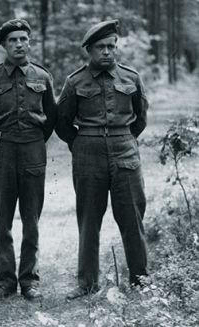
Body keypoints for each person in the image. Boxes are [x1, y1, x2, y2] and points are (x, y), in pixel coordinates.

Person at [56, 20, 149, 299]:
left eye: (111, 46)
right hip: (88, 151)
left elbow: (140, 119)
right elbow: (62, 122)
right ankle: (87, 283)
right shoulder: (75, 82)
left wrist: (123, 138)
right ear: (89, 50)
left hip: (125, 149)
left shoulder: (131, 78)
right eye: (100, 47)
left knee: (132, 217)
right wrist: (83, 141)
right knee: (88, 219)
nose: (107, 52)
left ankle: (140, 280)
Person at [0, 19, 56, 302]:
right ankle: (6, 281)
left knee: (31, 219)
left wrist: (31, 140)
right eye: (13, 40)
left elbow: (51, 118)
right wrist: (2, 141)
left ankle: (29, 280)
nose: (19, 44)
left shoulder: (42, 77)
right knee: (3, 221)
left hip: (33, 150)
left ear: (29, 42)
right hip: (2, 151)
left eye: (23, 39)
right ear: (4, 45)